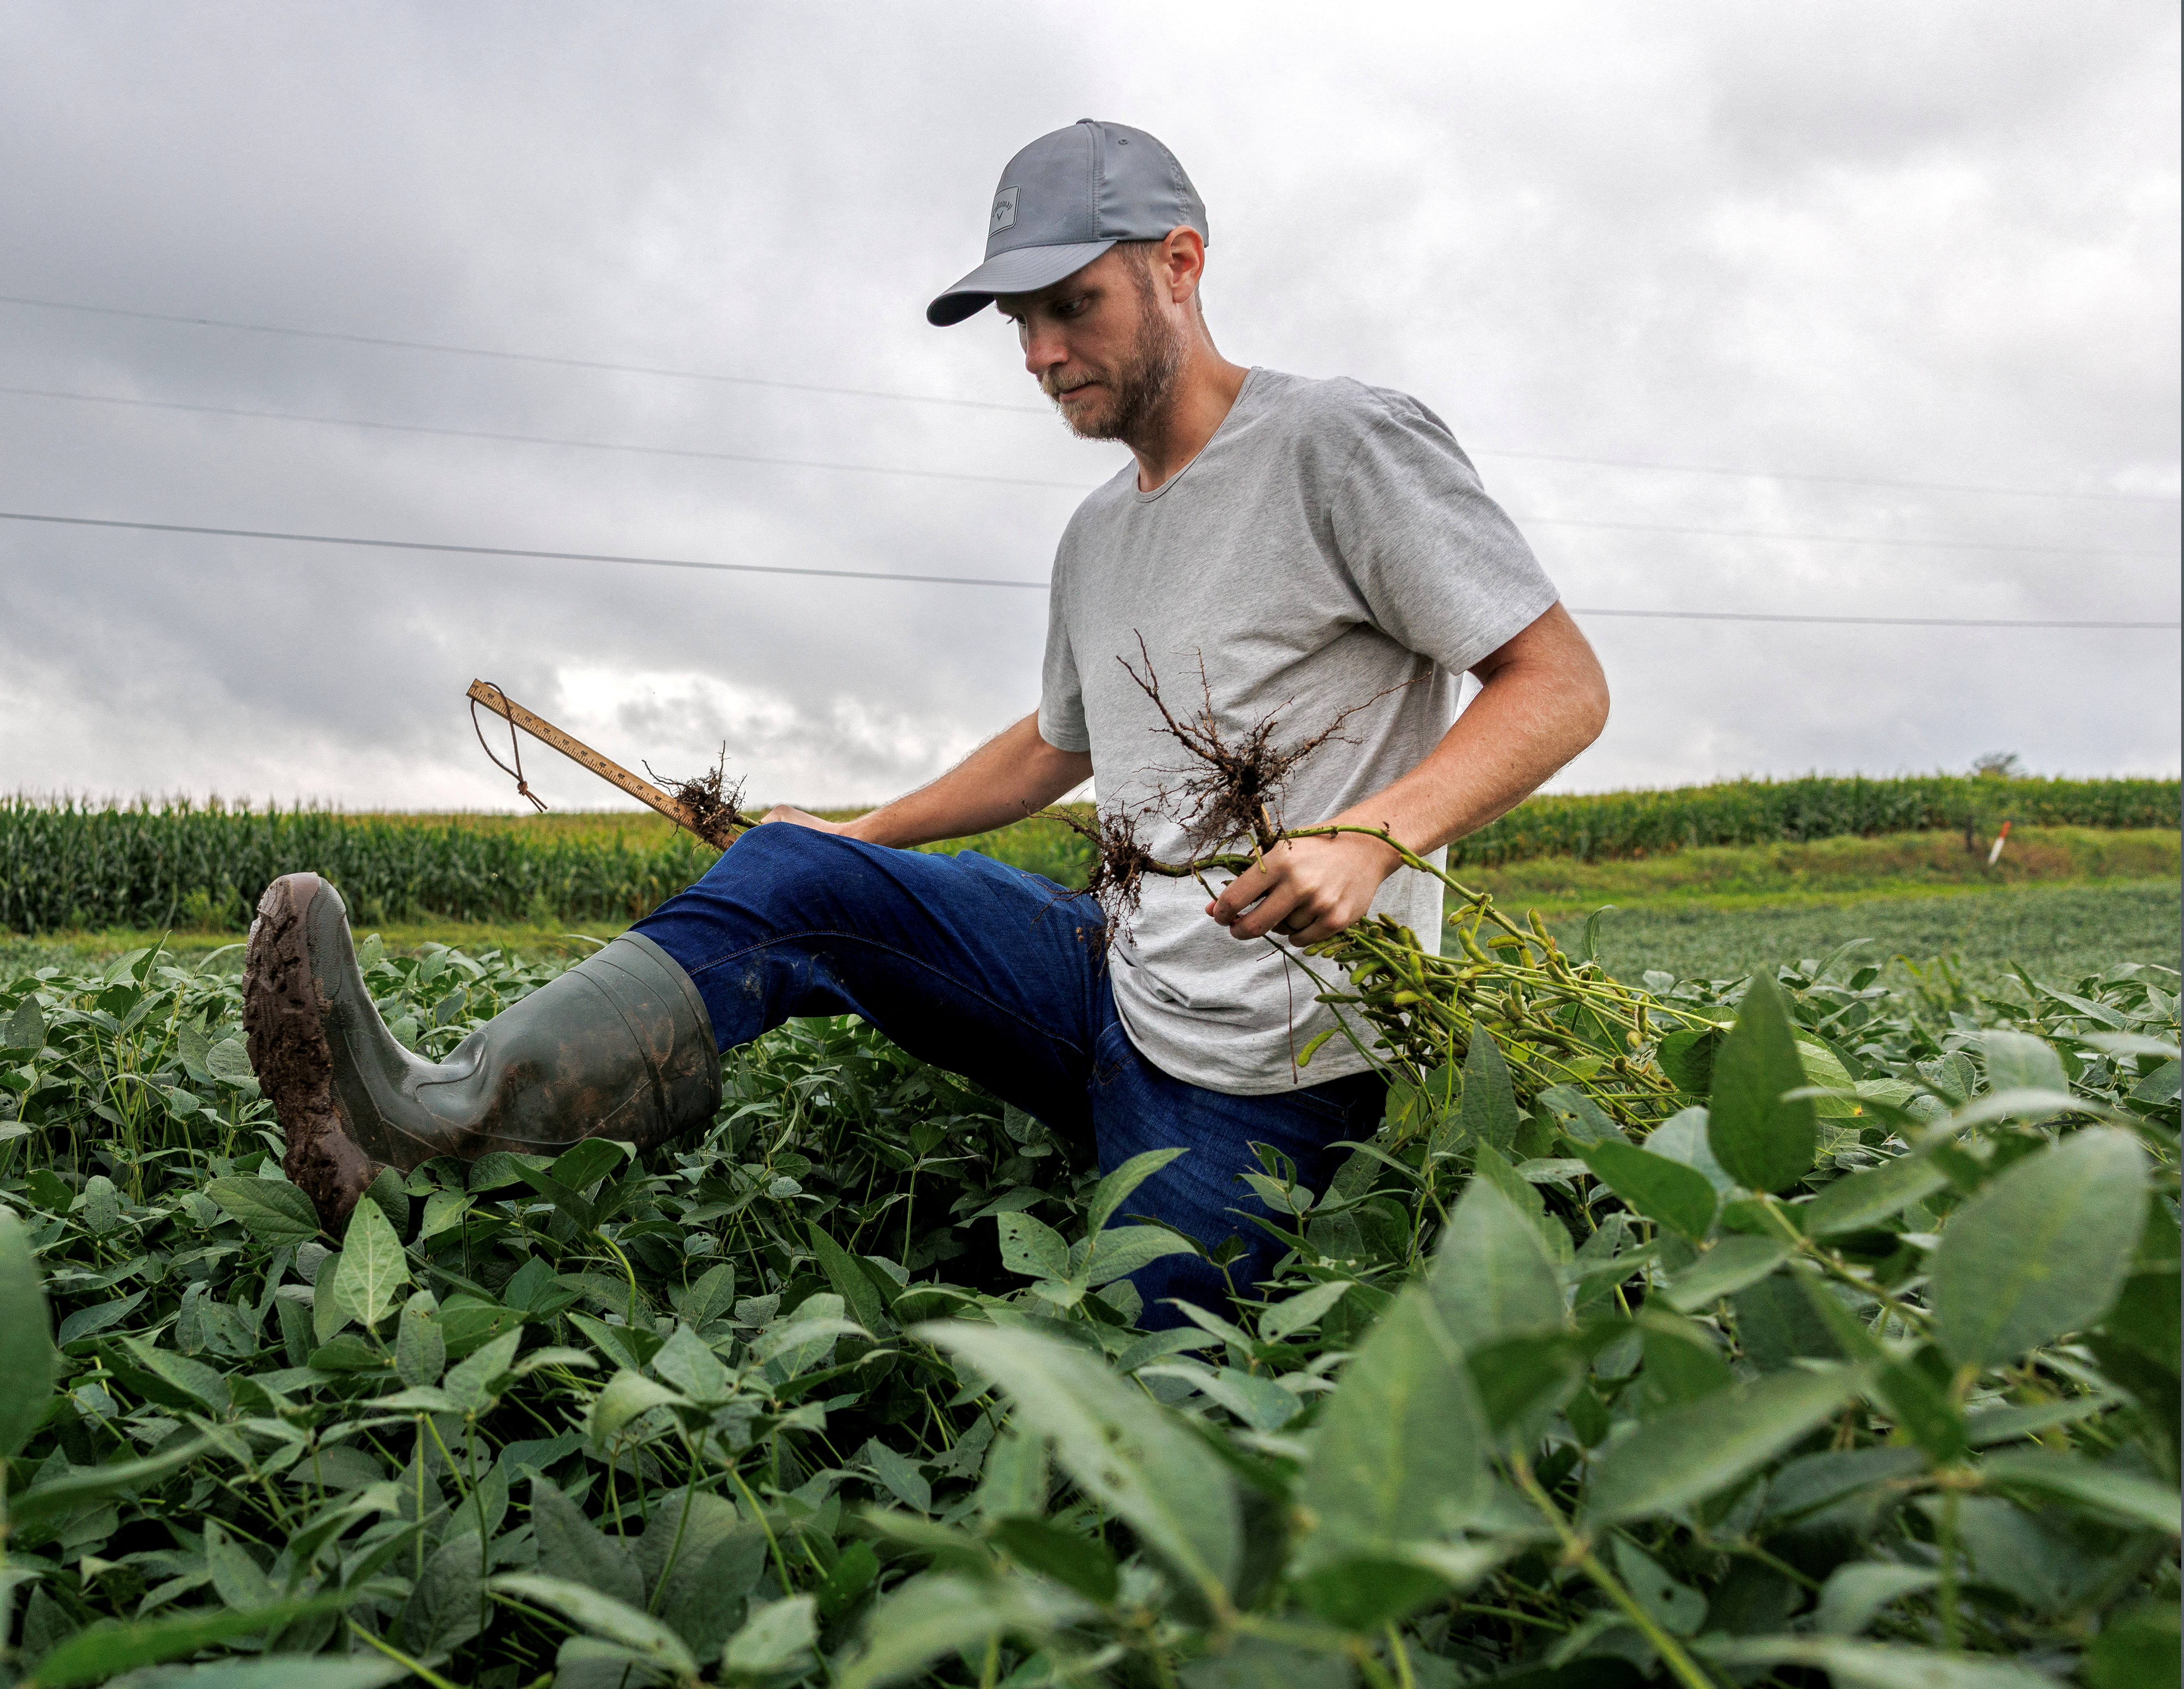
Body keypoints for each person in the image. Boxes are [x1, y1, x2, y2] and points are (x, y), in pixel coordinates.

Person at [245, 118, 1609, 1329]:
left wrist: (1373, 836)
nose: (1039, 354)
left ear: (1180, 265)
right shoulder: (1098, 532)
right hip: (1109, 979)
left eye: (1070, 306)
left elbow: (1556, 683)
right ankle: (435, 1121)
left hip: (1271, 1069)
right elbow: (1054, 744)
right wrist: (863, 833)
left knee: (1165, 1361)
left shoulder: (1339, 444)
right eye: (1018, 322)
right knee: (794, 878)